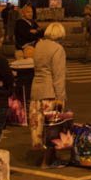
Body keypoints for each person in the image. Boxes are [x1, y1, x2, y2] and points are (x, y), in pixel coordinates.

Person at [30, 23, 69, 165]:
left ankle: (41, 156)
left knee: (38, 126)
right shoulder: (58, 49)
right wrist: (60, 97)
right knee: (53, 128)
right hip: (50, 92)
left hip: (36, 90)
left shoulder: (39, 46)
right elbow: (58, 75)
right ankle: (48, 161)